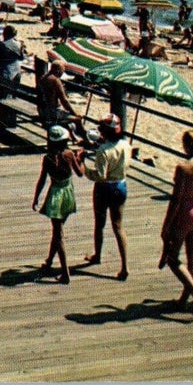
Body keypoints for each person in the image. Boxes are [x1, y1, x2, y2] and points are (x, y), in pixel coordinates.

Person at [159, 131, 193, 316]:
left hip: (186, 212)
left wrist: (167, 225)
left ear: (186, 145)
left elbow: (176, 199)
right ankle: (188, 301)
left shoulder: (184, 168)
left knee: (172, 257)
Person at [32, 125, 83, 284]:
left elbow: (42, 180)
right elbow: (80, 173)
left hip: (55, 195)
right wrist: (80, 159)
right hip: (68, 193)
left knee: (58, 233)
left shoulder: (47, 159)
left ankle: (65, 273)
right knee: (58, 231)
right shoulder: (69, 154)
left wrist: (36, 198)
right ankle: (49, 261)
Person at [83, 113, 130, 281]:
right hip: (121, 185)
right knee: (118, 226)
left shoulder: (103, 151)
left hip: (105, 188)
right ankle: (124, 266)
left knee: (100, 223)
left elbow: (100, 175)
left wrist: (85, 170)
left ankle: (97, 255)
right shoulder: (125, 144)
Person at [36, 61, 88, 142]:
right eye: (62, 71)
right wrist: (75, 114)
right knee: (77, 119)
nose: (62, 73)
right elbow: (64, 101)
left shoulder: (43, 78)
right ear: (58, 70)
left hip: (42, 110)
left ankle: (74, 137)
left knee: (66, 117)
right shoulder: (55, 81)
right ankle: (86, 140)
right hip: (52, 113)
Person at [0, 25, 25, 100]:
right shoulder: (19, 44)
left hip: (5, 71)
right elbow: (22, 58)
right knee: (13, 93)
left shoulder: (1, 44)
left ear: (5, 34)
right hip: (17, 70)